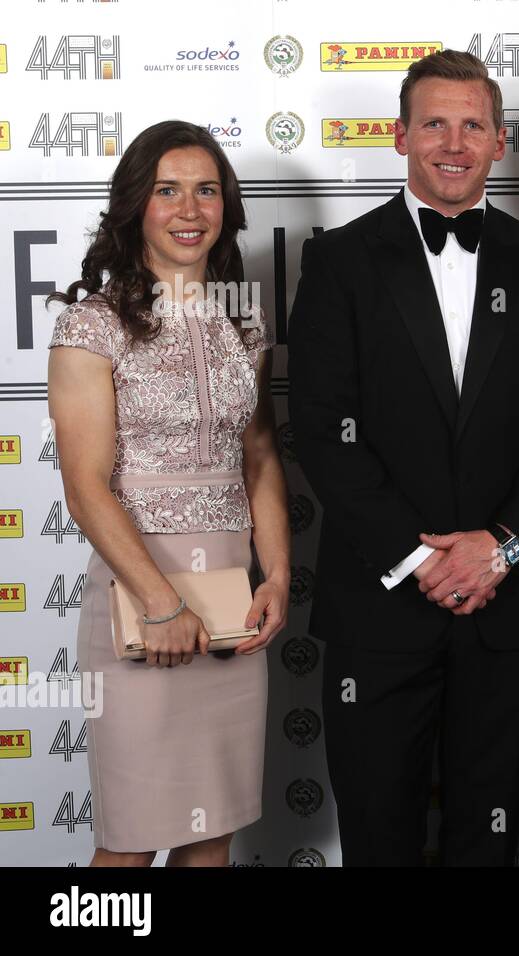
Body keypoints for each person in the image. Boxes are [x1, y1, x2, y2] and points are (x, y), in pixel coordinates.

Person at [287, 49, 519, 866]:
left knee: (486, 843)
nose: (453, 143)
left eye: (472, 124)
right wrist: (416, 560)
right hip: (381, 611)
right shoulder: (339, 261)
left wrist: (503, 548)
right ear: (399, 136)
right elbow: (323, 428)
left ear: (499, 140)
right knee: (378, 840)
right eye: (434, 123)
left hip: (507, 607)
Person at [46, 120, 288, 866]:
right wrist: (160, 603)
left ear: (227, 206)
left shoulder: (245, 325)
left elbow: (258, 455)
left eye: (207, 190)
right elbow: (85, 487)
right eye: (168, 190)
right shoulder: (91, 325)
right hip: (137, 600)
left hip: (231, 602)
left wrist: (278, 574)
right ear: (135, 207)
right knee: (132, 842)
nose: (190, 208)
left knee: (210, 835)